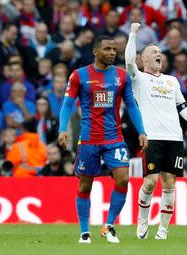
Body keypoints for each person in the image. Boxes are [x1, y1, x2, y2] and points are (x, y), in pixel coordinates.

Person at [59, 35, 147, 244]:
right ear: (95, 52)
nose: (111, 53)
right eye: (107, 49)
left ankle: (108, 226)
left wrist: (142, 131)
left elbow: (132, 105)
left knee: (123, 179)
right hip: (89, 139)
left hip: (114, 138)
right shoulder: (79, 76)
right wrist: (63, 129)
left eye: (114, 50)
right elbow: (67, 105)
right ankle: (84, 232)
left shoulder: (121, 76)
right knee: (85, 186)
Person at [125, 23, 187, 240]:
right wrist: (133, 34)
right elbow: (127, 60)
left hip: (175, 137)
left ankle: (163, 229)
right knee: (151, 181)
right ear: (143, 59)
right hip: (152, 137)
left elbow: (182, 107)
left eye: (160, 52)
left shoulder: (172, 81)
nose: (159, 54)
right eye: (154, 52)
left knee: (170, 183)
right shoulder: (139, 79)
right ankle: (143, 219)